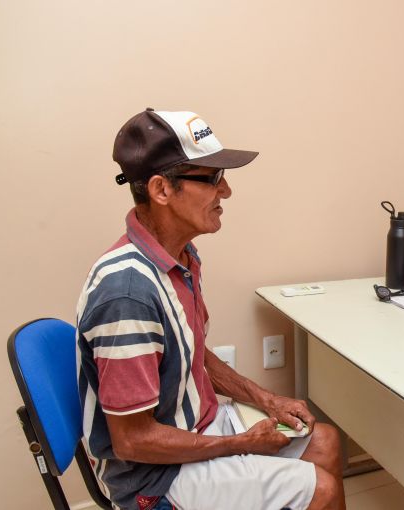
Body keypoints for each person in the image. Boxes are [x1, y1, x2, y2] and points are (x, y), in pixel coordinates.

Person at [76, 108, 344, 510]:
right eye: (212, 178)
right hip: (154, 477)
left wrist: (268, 399)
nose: (227, 191)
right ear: (161, 190)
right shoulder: (127, 293)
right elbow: (132, 440)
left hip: (197, 424)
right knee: (321, 489)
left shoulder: (180, 257)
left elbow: (193, 353)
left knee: (326, 442)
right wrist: (237, 444)